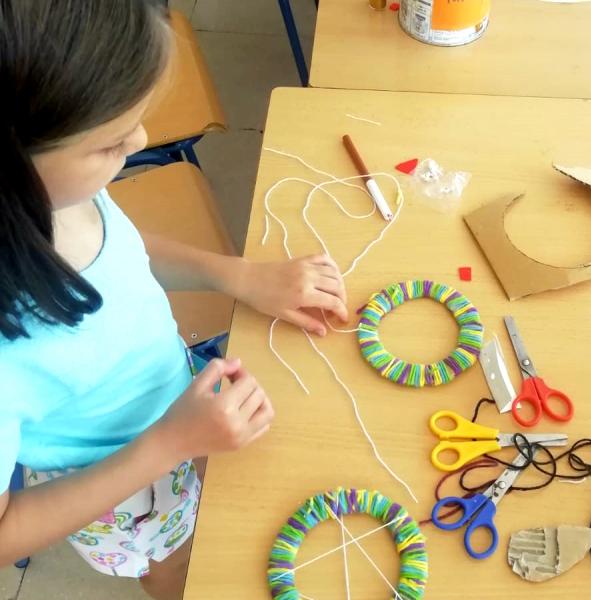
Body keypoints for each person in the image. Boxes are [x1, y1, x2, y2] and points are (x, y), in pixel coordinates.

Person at [0, 2, 348, 598]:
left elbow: (121, 254)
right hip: (126, 488)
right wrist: (172, 444)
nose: (138, 141)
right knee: (192, 573)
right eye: (111, 143)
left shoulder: (53, 198)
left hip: (178, 410)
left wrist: (237, 276)